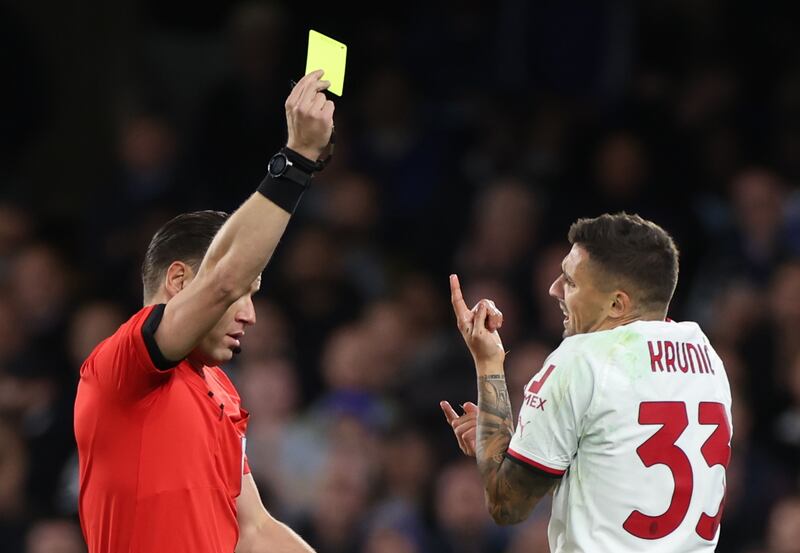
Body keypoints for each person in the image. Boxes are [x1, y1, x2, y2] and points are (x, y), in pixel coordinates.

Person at [74, 70, 335, 553]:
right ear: (178, 281)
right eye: (244, 294)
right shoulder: (119, 368)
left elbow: (255, 530)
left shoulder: (220, 390)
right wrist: (296, 159)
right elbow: (222, 280)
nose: (250, 315)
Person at [441, 213, 732, 552]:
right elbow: (620, 467)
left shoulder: (583, 358)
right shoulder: (707, 357)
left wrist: (488, 362)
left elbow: (507, 504)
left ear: (616, 303)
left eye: (571, 282)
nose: (554, 289)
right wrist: (514, 442)